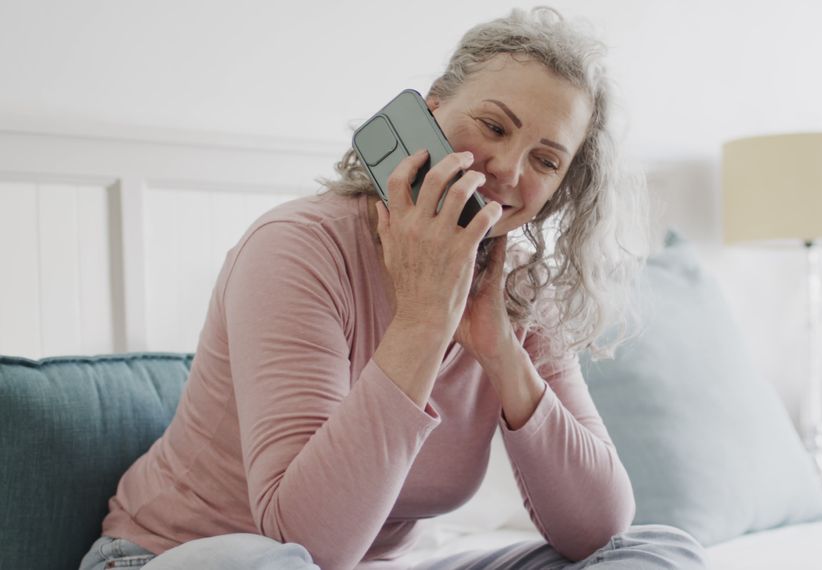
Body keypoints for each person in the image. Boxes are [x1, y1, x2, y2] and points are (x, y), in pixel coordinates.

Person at [79, 7, 708, 570]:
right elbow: (305, 541)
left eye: (546, 160)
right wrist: (426, 317)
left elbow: (599, 527)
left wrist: (501, 351)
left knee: (660, 551)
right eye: (493, 126)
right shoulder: (297, 247)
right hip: (178, 557)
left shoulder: (512, 289)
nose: (509, 170)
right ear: (432, 108)